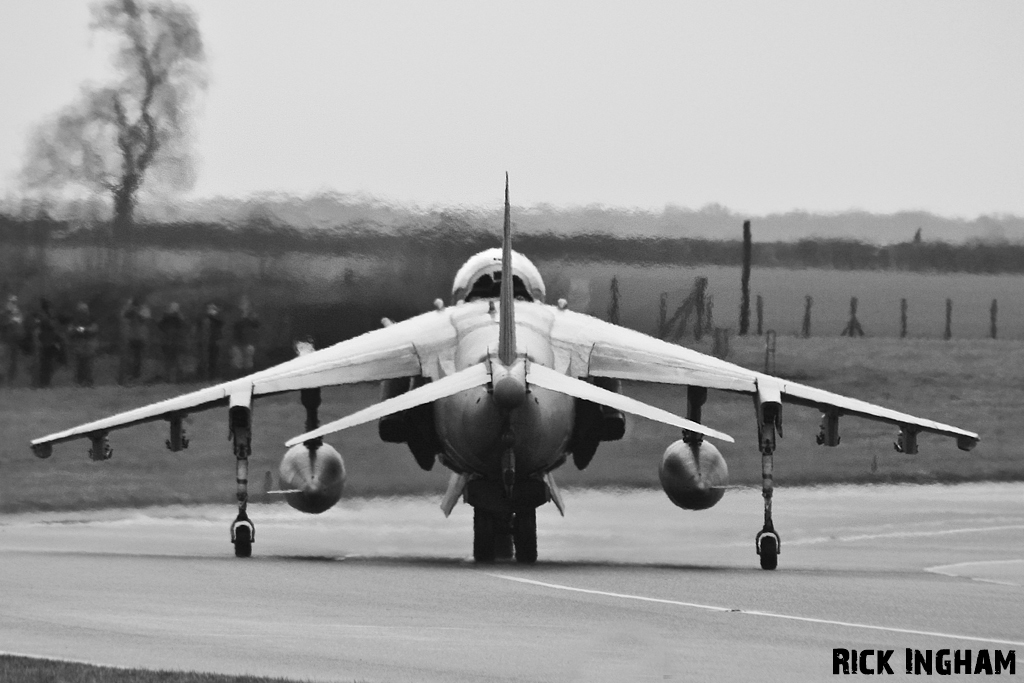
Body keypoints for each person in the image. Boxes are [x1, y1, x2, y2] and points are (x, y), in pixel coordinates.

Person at [67, 302, 99, 386]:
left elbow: (94, 329)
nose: (83, 311)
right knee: (79, 364)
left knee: (88, 363)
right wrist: (78, 330)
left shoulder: (91, 319)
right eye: (81, 310)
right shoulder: (74, 320)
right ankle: (79, 381)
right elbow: (70, 330)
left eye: (84, 310)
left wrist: (83, 329)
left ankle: (88, 381)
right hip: (78, 344)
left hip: (89, 343)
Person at [34, 298, 64, 388]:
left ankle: (45, 381)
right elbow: (48, 325)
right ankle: (44, 382)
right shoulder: (43, 316)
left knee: (49, 363)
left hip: (50, 341)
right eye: (48, 306)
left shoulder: (48, 316)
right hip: (45, 342)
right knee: (46, 363)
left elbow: (54, 326)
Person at [120, 297, 151, 382]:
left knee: (137, 357)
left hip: (137, 337)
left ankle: (135, 375)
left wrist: (132, 309)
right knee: (133, 357)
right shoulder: (132, 312)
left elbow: (144, 319)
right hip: (134, 337)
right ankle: (132, 375)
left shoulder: (140, 312)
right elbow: (124, 316)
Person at [157, 302, 187, 383]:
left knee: (177, 361)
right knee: (169, 361)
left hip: (175, 342)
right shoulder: (165, 317)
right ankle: (168, 379)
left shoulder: (179, 317)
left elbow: (183, 325)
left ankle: (177, 379)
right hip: (168, 342)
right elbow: (160, 325)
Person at [231, 297, 260, 377]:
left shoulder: (251, 315)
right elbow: (233, 327)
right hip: (238, 342)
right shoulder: (236, 314)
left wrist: (252, 318)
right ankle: (238, 377)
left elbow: (256, 326)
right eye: (242, 303)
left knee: (248, 361)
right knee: (238, 361)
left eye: (245, 303)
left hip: (249, 342)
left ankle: (247, 376)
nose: (243, 305)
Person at [1, 295, 25, 384]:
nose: (12, 304)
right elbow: (3, 324)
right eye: (11, 302)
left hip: (15, 341)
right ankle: (2, 379)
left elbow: (20, 325)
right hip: (4, 341)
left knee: (13, 361)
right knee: (4, 360)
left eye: (14, 302)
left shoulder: (18, 313)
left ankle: (11, 380)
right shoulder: (3, 314)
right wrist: (10, 321)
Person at [202, 303, 225, 380]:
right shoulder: (206, 319)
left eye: (213, 309)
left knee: (216, 359)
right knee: (209, 359)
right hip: (208, 341)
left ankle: (215, 375)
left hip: (216, 341)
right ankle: (209, 376)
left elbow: (220, 323)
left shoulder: (217, 319)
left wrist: (213, 316)